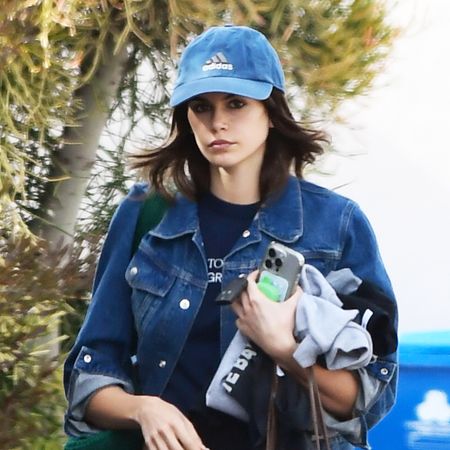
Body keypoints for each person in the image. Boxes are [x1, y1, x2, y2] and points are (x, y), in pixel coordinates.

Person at [63, 25, 398, 450]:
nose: (217, 122)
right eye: (201, 106)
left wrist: (282, 346)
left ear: (271, 113)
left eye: (236, 103)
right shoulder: (145, 215)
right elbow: (90, 374)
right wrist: (145, 409)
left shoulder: (337, 225)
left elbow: (370, 397)